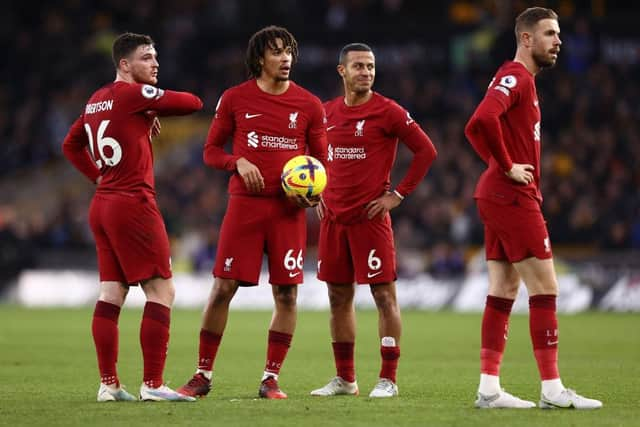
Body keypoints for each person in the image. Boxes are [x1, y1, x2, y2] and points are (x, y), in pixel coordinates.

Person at [177, 25, 327, 399]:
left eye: (289, 51)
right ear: (260, 58)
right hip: (244, 207)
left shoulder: (309, 105)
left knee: (287, 295)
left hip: (287, 212)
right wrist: (237, 162)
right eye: (277, 52)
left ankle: (270, 378)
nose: (286, 58)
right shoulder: (234, 98)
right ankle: (202, 375)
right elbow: (211, 151)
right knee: (222, 287)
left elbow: (322, 162)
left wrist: (313, 194)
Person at [464, 7, 602, 409]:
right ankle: (552, 390)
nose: (558, 40)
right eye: (549, 33)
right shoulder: (516, 76)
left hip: (496, 194)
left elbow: (476, 127)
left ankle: (489, 389)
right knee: (546, 288)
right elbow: (482, 118)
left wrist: (496, 165)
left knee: (504, 288)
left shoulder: (521, 79)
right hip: (511, 196)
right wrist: (506, 167)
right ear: (526, 38)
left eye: (558, 34)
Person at [62, 32, 202, 402]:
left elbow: (70, 145)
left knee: (111, 293)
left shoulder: (96, 100)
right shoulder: (132, 95)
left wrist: (97, 176)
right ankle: (153, 385)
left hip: (104, 204)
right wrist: (151, 105)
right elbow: (192, 102)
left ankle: (109, 384)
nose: (155, 64)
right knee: (161, 290)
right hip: (133, 204)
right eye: (147, 58)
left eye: (156, 57)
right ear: (124, 64)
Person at [309, 43, 437, 398]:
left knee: (383, 296)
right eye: (359, 66)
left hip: (371, 219)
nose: (366, 72)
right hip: (333, 219)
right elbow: (311, 158)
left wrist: (398, 194)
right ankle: (346, 380)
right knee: (338, 298)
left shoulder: (389, 112)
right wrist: (316, 193)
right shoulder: (325, 113)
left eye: (371, 67)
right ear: (342, 71)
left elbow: (426, 151)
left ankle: (388, 379)